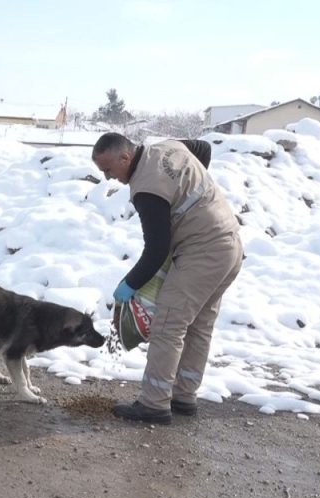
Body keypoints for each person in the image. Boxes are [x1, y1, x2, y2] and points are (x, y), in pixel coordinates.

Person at [92, 133, 243, 424]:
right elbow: (203, 149)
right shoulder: (168, 148)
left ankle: (154, 404)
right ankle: (184, 397)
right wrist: (191, 193)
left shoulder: (147, 189)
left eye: (108, 169)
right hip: (230, 245)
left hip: (202, 251)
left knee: (167, 325)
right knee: (199, 326)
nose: (109, 177)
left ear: (125, 157)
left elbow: (157, 248)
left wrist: (130, 284)